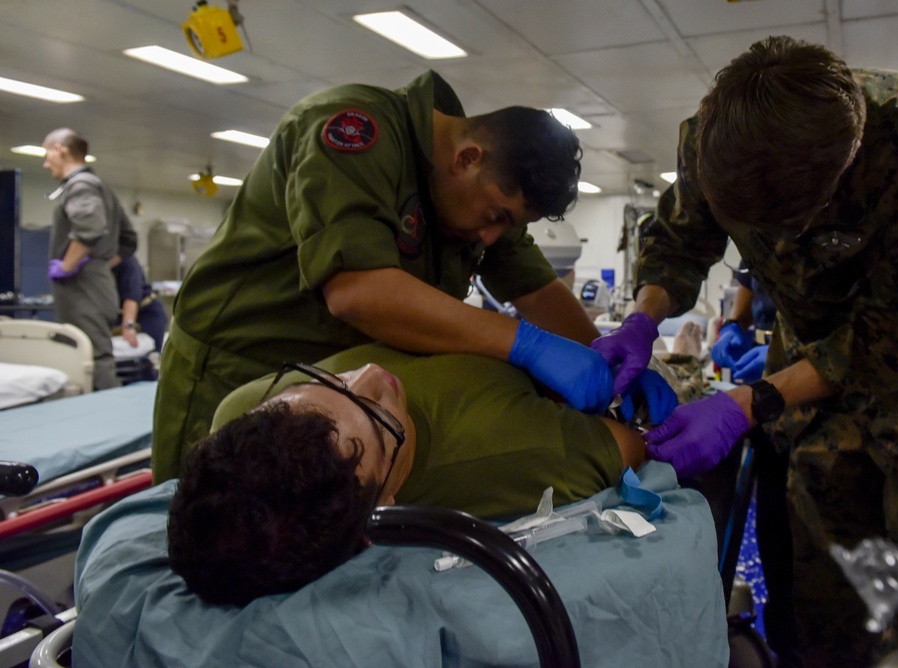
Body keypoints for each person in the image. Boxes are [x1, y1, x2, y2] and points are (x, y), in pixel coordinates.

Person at [590, 36, 898, 666]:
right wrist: (642, 320)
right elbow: (678, 242)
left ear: (848, 163)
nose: (776, 249)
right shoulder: (712, 141)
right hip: (809, 347)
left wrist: (750, 402)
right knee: (824, 555)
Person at [151, 70, 676, 484]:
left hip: (323, 383)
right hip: (231, 365)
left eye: (508, 225)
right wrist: (530, 346)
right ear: (467, 158)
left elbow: (536, 288)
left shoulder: (478, 196)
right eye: (496, 217)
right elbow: (359, 292)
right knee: (204, 534)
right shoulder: (354, 132)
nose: (493, 237)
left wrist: (606, 363)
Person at [166, 329, 705, 606]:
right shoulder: (523, 453)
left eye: (324, 382)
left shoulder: (239, 410)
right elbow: (631, 445)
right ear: (384, 511)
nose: (372, 375)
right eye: (380, 424)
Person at [42, 128, 137, 391]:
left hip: (83, 286)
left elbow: (89, 229)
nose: (45, 162)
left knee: (93, 357)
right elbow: (129, 241)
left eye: (47, 153)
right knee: (88, 353)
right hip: (95, 282)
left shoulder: (81, 185)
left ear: (60, 149)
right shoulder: (102, 189)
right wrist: (100, 266)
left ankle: (106, 422)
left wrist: (69, 265)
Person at [711, 260, 776, 383]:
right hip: (759, 348)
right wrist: (731, 326)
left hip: (808, 359)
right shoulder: (756, 243)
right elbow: (748, 283)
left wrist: (782, 354)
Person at [107, 254, 168, 353]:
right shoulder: (94, 261)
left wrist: (128, 326)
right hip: (119, 314)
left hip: (146, 312)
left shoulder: (127, 259)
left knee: (149, 357)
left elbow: (131, 296)